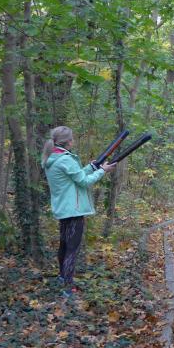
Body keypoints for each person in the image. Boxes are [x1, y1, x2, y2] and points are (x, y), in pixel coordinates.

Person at [42, 126, 117, 295]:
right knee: (72, 249)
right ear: (68, 142)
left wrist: (91, 167)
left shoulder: (53, 157)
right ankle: (68, 288)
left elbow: (76, 176)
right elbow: (84, 182)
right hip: (74, 210)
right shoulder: (66, 159)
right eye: (72, 138)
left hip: (63, 209)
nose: (73, 141)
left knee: (64, 245)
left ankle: (63, 277)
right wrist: (102, 171)